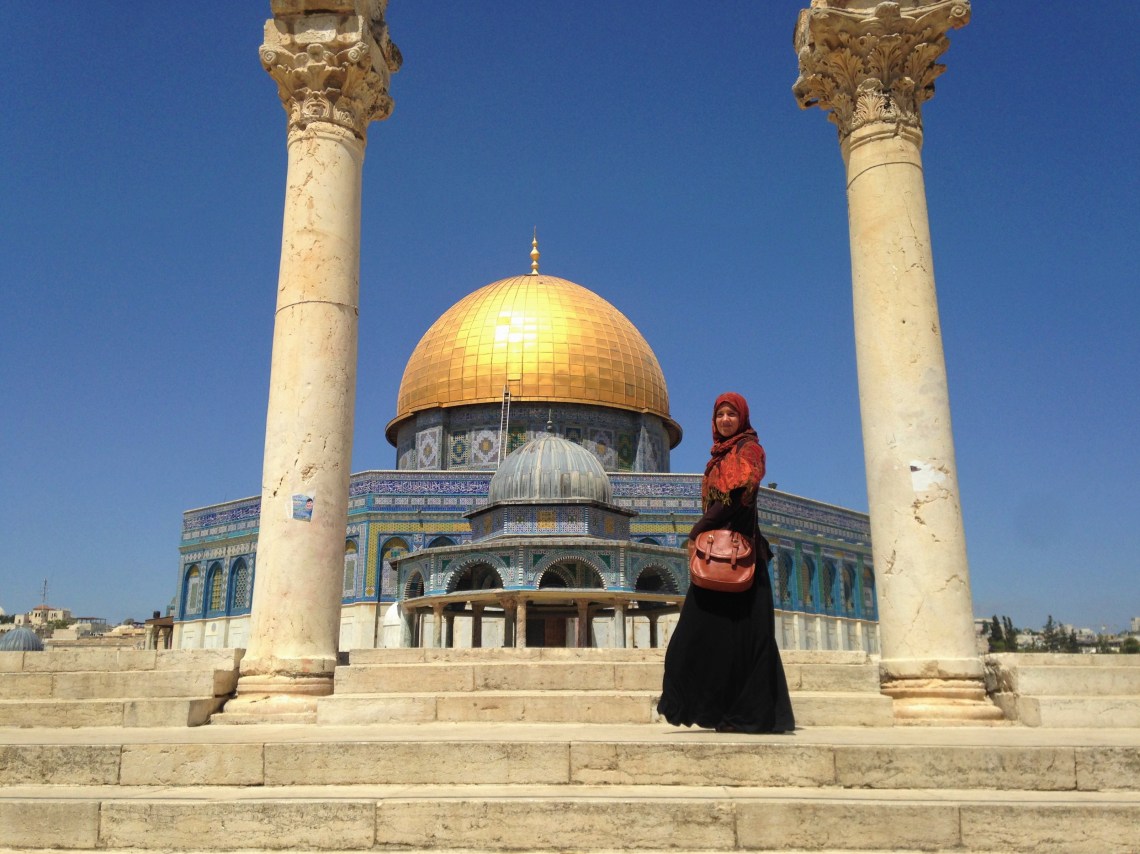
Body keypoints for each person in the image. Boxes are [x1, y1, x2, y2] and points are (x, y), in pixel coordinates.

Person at [657, 392, 795, 733]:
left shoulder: (749, 451)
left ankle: (751, 714)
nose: (725, 420)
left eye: (732, 414)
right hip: (718, 558)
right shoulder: (720, 455)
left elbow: (734, 498)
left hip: (740, 558)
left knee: (747, 640)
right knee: (709, 640)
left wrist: (698, 529)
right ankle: (718, 710)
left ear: (743, 418)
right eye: (720, 414)